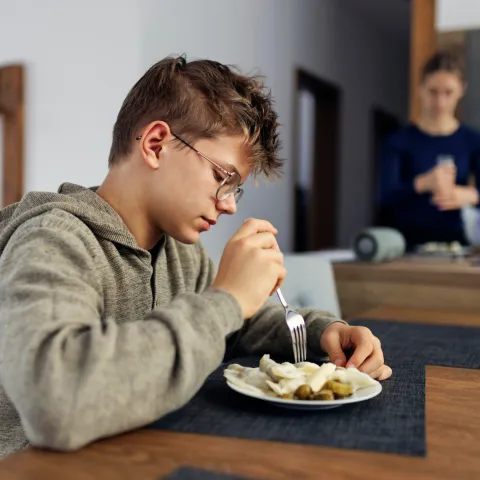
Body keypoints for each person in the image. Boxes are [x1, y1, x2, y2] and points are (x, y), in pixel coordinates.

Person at [0, 55, 392, 457]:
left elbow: (237, 326)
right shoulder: (53, 241)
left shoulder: (181, 253)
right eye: (223, 178)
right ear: (156, 145)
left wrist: (322, 333)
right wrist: (226, 299)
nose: (230, 206)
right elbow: (53, 403)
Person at [379, 51, 480, 248]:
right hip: (404, 246)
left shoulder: (473, 141)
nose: (440, 103)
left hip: (455, 246)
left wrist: (468, 195)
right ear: (421, 88)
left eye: (448, 93)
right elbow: (385, 196)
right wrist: (423, 183)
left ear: (461, 90)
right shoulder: (398, 141)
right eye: (433, 92)